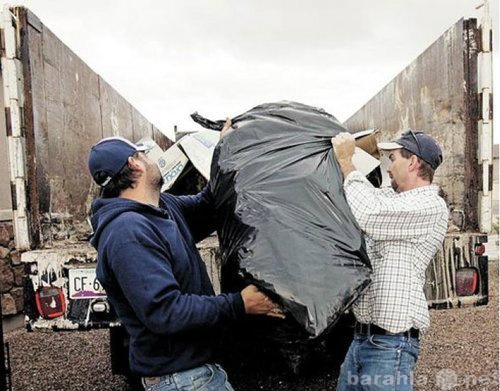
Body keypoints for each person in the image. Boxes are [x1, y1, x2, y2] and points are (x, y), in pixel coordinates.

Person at [87, 128, 283, 390]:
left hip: (196, 372)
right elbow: (165, 312)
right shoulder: (128, 232)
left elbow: (209, 204)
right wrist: (239, 304)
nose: (151, 159)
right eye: (144, 154)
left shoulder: (162, 208)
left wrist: (226, 151)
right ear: (135, 164)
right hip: (180, 380)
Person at [331, 130, 449, 391]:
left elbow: (368, 213)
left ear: (413, 162)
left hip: (390, 346)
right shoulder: (392, 198)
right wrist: (358, 157)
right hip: (361, 339)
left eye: (393, 158)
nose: (388, 166)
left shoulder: (430, 206)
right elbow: (366, 195)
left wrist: (347, 163)